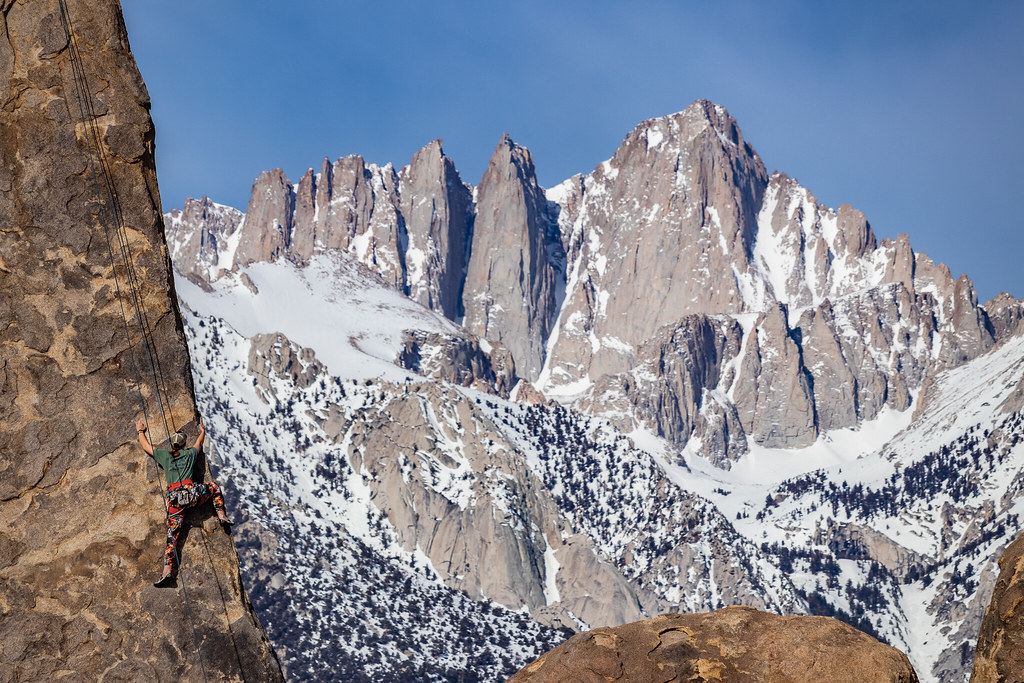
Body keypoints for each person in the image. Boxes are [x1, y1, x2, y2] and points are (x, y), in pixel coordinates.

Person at [135, 418, 232, 588]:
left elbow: (146, 446)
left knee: (172, 536)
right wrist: (202, 431)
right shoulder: (190, 454)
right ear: (184, 444)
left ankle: (167, 572)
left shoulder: (165, 455)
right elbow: (199, 443)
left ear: (171, 445)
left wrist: (140, 431)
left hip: (175, 502)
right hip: (192, 494)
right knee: (214, 488)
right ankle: (221, 515)